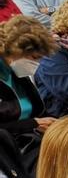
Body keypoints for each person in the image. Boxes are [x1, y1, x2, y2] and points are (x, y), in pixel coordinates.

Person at [0, 16, 57, 168]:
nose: (35, 64)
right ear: (13, 49)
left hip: (28, 144)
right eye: (33, 58)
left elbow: (38, 112)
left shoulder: (17, 74)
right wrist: (31, 124)